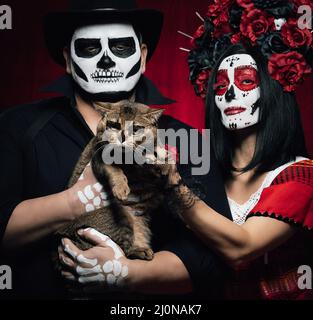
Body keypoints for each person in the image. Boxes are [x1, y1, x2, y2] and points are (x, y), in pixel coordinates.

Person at [0, 0, 231, 299]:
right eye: (89, 48)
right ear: (68, 60)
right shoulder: (17, 126)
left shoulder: (187, 141)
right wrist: (76, 201)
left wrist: (125, 273)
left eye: (121, 46)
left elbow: (215, 259)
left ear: (143, 56)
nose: (106, 60)